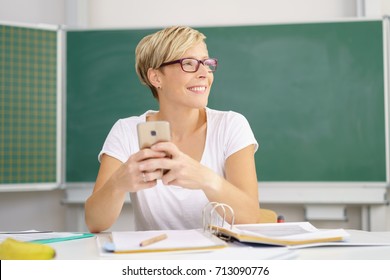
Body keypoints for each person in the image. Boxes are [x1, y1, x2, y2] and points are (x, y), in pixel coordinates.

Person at [85, 26, 263, 233]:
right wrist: (118, 183)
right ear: (156, 78)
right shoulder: (127, 130)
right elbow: (94, 222)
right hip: (153, 260)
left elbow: (250, 217)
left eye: (207, 63)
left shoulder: (231, 125)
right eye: (188, 64)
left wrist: (205, 178)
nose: (204, 73)